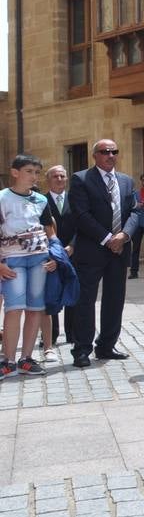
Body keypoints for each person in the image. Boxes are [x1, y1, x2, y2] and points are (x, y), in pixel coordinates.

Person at [68, 138, 141, 368]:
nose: (110, 155)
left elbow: (135, 212)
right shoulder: (81, 179)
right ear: (95, 156)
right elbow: (81, 214)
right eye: (105, 151)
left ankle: (106, 346)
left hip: (119, 250)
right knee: (85, 301)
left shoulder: (126, 181)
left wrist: (124, 235)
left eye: (114, 151)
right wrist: (108, 238)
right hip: (91, 251)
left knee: (115, 299)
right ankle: (82, 349)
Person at [0, 154, 58, 377]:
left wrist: (56, 256)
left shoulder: (41, 200)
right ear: (15, 173)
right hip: (12, 261)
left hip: (39, 260)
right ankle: (9, 361)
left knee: (35, 309)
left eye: (36, 173)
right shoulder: (3, 198)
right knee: (13, 309)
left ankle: (26, 359)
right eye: (29, 171)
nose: (34, 177)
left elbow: (50, 230)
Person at [42, 164, 75, 359]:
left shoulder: (75, 199)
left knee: (71, 291)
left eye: (63, 176)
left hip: (71, 252)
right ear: (48, 180)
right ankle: (51, 335)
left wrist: (72, 247)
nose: (60, 179)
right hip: (50, 255)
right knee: (51, 294)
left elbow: (82, 225)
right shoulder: (41, 201)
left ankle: (72, 332)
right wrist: (52, 253)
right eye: (56, 176)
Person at [128, 174, 144, 280]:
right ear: (141, 181)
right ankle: (134, 272)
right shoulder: (135, 194)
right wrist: (138, 205)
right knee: (136, 249)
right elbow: (131, 206)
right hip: (137, 224)